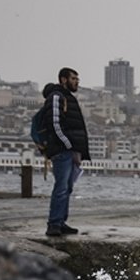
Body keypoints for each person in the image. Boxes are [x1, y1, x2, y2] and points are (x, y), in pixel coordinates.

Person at [43, 67, 89, 237]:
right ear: (63, 79)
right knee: (61, 187)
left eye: (77, 79)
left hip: (70, 151)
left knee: (67, 188)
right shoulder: (56, 97)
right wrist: (69, 145)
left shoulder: (68, 98)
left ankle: (61, 222)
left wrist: (77, 150)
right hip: (62, 151)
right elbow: (55, 124)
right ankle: (54, 223)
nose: (76, 82)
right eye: (73, 78)